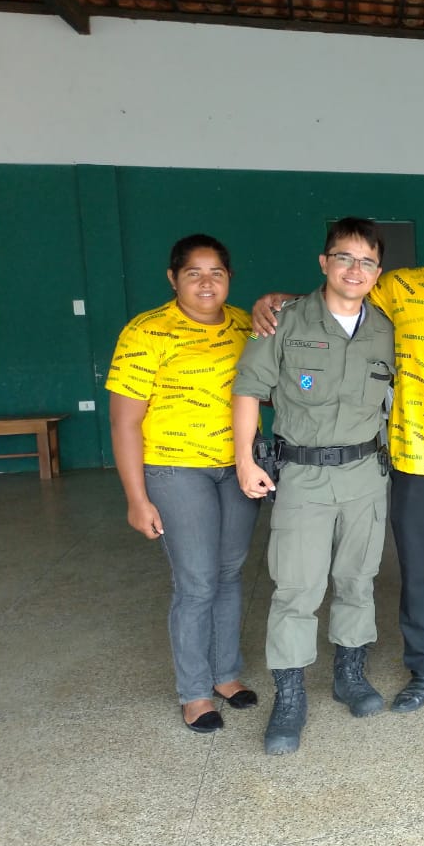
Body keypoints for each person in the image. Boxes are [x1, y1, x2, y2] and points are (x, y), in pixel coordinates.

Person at [250, 200, 424, 712]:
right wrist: (276, 301)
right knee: (422, 569)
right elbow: (340, 300)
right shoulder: (399, 289)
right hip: (415, 459)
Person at [232, 218, 395, 755]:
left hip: (365, 475)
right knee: (297, 587)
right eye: (344, 258)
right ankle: (290, 693)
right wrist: (244, 458)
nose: (355, 270)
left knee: (356, 577)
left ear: (378, 271)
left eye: (367, 261)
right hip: (302, 473)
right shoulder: (281, 319)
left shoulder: (384, 329)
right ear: (324, 263)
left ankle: (349, 674)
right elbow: (249, 390)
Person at [107, 234, 259, 733]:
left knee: (231, 572)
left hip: (236, 468)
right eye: (193, 273)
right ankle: (194, 692)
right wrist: (136, 498)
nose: (206, 282)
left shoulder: (244, 324)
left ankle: (225, 674)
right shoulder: (146, 332)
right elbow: (125, 423)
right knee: (197, 582)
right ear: (173, 279)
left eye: (216, 271)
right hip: (175, 471)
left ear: (229, 278)